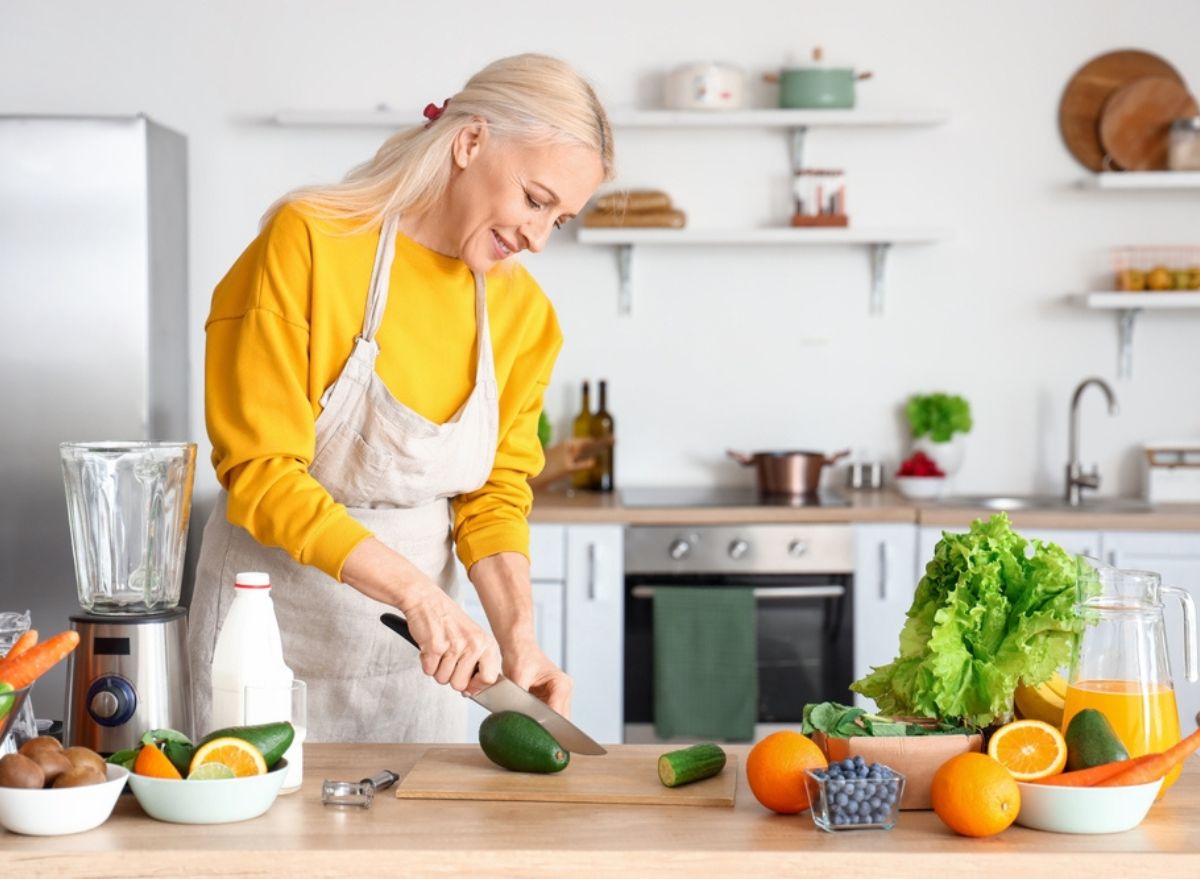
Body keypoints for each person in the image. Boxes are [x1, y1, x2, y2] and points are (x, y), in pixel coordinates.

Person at [188, 54, 613, 743]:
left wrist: (518, 638)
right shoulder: (310, 242)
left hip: (419, 663)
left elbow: (494, 492)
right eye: (536, 200)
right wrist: (416, 591)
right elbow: (259, 471)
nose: (537, 238)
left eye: (559, 220)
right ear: (470, 142)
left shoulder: (525, 316)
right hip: (266, 638)